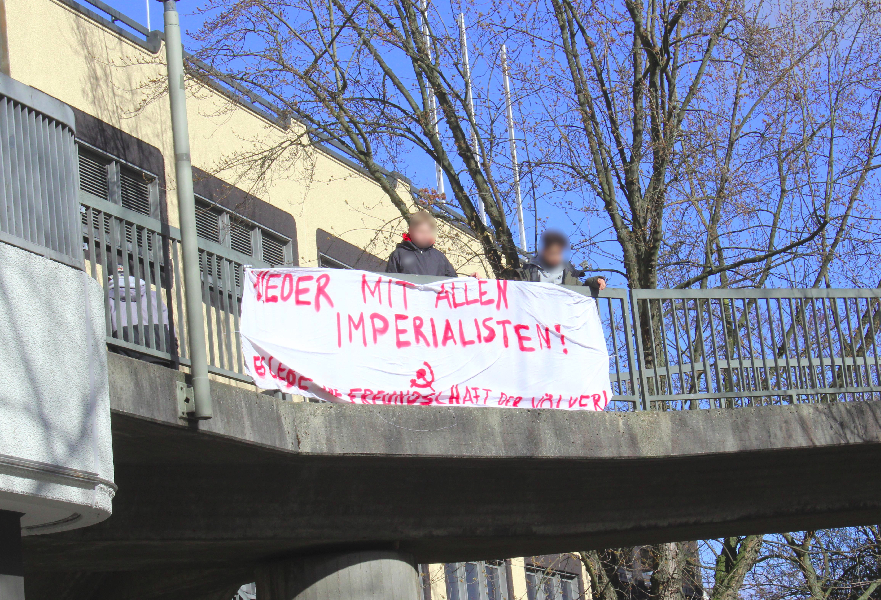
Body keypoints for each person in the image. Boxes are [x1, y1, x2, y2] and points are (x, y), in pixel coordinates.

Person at [517, 230, 606, 290]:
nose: (557, 258)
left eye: (559, 253)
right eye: (553, 253)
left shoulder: (567, 274)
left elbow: (582, 289)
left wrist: (595, 281)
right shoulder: (526, 273)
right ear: (543, 252)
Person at [386, 211, 458, 277]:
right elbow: (390, 283)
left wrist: (469, 281)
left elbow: (454, 283)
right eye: (421, 231)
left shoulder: (440, 257)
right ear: (410, 230)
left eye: (428, 232)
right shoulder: (399, 255)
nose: (425, 236)